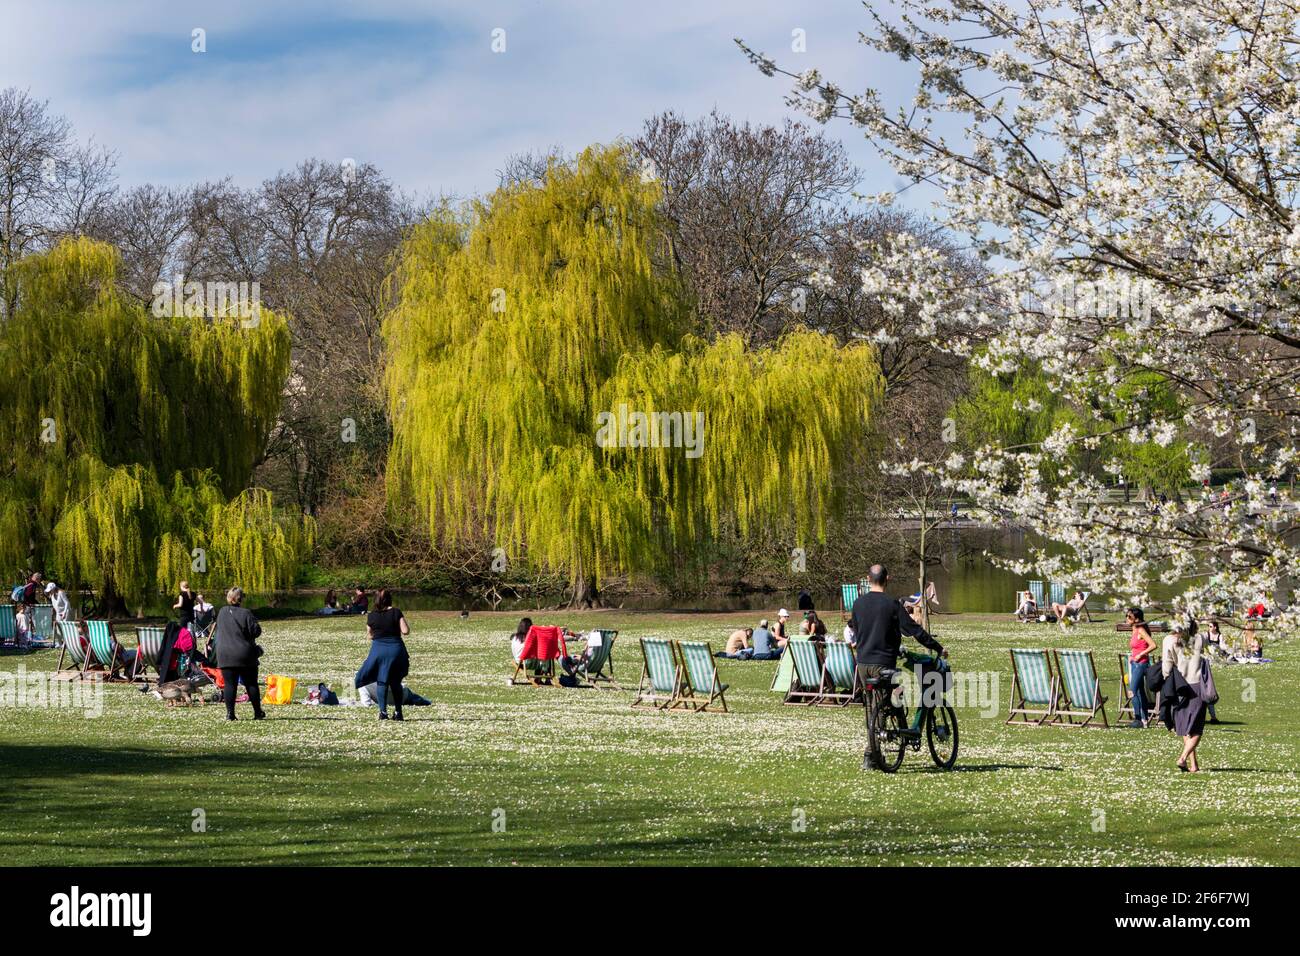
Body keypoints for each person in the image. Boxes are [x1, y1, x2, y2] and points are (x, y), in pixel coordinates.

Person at [851, 565, 945, 770]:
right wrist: (937, 647)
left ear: (868, 579)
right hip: (882, 663)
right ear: (888, 578)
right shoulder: (892, 604)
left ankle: (873, 752)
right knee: (883, 706)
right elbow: (913, 630)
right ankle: (872, 756)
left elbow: (856, 631)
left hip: (862, 664)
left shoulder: (858, 604)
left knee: (871, 708)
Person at [356, 588, 411, 721]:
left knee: (382, 681)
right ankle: (398, 713)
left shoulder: (372, 615)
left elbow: (369, 635)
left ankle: (383, 712)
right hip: (396, 650)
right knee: (396, 681)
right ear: (389, 599)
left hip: (379, 650)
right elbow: (405, 631)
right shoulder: (396, 612)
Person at [1159, 620, 1206, 772]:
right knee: (1197, 727)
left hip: (1180, 685)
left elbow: (1166, 666)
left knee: (1185, 727)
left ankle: (1194, 765)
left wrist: (1168, 679)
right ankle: (1183, 757)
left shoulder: (1169, 640)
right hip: (1197, 684)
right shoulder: (1200, 639)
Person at [212, 587, 265, 721]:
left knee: (230, 685)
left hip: (224, 654)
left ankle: (230, 714)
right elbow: (256, 632)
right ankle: (257, 712)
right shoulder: (246, 613)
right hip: (243, 654)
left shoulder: (222, 612)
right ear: (241, 599)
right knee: (251, 683)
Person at [1125, 607, 1157, 728]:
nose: (1127, 618)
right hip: (1134, 664)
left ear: (1136, 619)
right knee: (1139, 691)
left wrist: (1139, 655)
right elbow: (1136, 647)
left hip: (1141, 664)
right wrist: (1132, 656)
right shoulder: (1134, 630)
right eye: (1127, 616)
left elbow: (1153, 645)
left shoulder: (1140, 630)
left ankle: (1138, 719)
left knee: (1132, 691)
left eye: (1129, 617)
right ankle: (1144, 720)